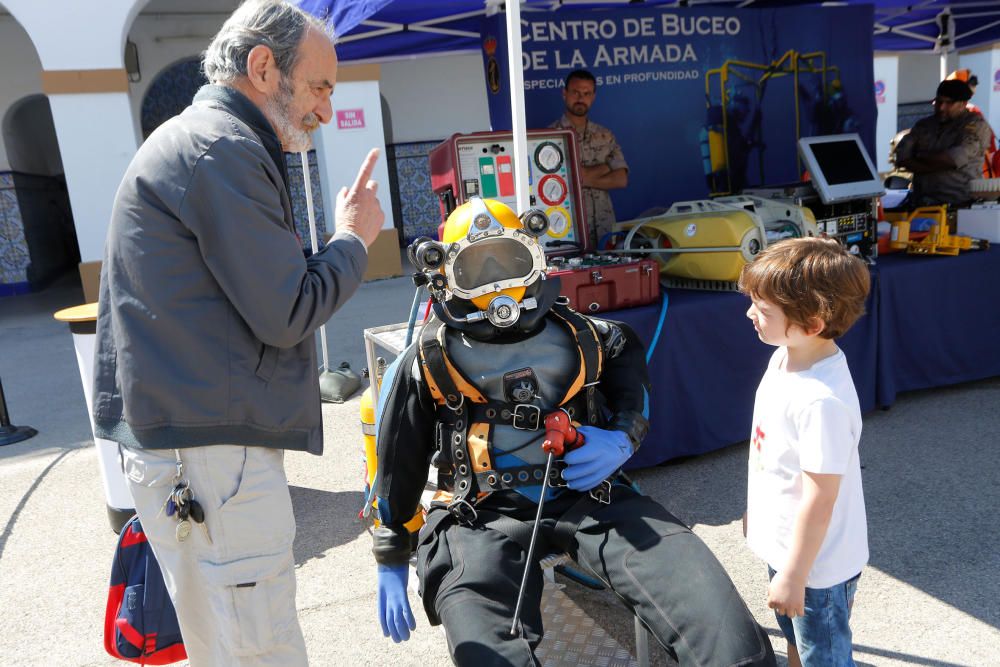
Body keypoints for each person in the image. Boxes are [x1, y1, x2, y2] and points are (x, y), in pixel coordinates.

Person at [91, 1, 385, 664]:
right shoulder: (222, 148)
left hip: (196, 447)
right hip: (212, 457)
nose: (325, 109)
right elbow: (288, 310)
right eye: (318, 86)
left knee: (231, 640)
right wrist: (353, 241)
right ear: (261, 67)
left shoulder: (210, 141)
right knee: (256, 646)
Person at [372, 197, 776, 666]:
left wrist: (622, 438)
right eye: (476, 267)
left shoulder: (591, 336)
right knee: (488, 654)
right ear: (445, 273)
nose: (497, 282)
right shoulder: (426, 361)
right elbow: (399, 460)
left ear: (534, 256)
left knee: (724, 632)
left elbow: (632, 385)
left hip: (592, 497)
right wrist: (392, 548)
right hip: (477, 514)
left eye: (509, 260)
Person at [738, 237, 871, 667]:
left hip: (818, 568)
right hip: (791, 547)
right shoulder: (787, 356)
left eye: (763, 310)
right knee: (795, 636)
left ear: (812, 323)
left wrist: (795, 575)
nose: (750, 314)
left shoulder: (821, 401)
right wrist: (757, 513)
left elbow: (821, 496)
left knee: (824, 653)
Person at [549, 69, 628, 249]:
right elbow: (555, 183)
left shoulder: (605, 135)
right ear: (564, 94)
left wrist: (579, 178)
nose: (580, 98)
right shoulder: (550, 136)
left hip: (604, 229)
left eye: (586, 93)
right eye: (575, 92)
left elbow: (621, 179)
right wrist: (605, 167)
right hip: (567, 228)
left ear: (593, 97)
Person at [893, 78, 992, 207]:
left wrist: (919, 156)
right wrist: (936, 163)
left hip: (960, 203)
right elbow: (902, 158)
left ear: (963, 103)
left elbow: (952, 160)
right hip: (922, 203)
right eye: (938, 101)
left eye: (949, 103)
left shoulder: (975, 125)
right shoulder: (924, 125)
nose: (941, 107)